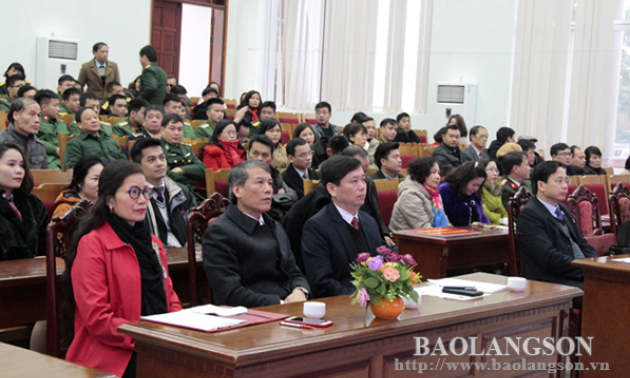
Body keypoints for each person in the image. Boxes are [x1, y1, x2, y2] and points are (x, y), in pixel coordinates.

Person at [64, 160, 182, 377]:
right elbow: (98, 319)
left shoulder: (153, 243)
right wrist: (149, 339)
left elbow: (170, 298)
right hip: (111, 353)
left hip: (158, 344)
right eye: (133, 193)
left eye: (145, 192)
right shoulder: (93, 244)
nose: (142, 201)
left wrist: (181, 329)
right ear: (109, 198)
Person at [202, 160, 310, 307]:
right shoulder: (220, 232)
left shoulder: (274, 226)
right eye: (260, 182)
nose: (269, 189)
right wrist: (281, 303)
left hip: (288, 309)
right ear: (237, 190)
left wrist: (300, 291)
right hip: (252, 316)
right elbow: (229, 293)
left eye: (270, 183)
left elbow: (294, 273)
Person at [516, 161, 598, 309]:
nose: (565, 185)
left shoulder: (563, 209)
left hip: (576, 272)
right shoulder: (530, 215)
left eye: (566, 180)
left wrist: (596, 264)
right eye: (559, 181)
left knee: (616, 285)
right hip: (550, 280)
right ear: (541, 185)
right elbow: (549, 258)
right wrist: (585, 270)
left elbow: (581, 243)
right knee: (602, 292)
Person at [302, 156, 384, 298]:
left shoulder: (370, 222)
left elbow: (380, 266)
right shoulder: (317, 227)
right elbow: (322, 283)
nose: (362, 186)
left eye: (363, 179)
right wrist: (362, 297)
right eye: (354, 181)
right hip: (342, 305)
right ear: (332, 189)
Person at [131, 138, 193, 248]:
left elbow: (195, 226)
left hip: (186, 254)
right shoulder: (134, 197)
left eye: (162, 158)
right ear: (138, 166)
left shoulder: (181, 192)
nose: (159, 163)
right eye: (151, 160)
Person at [0, 142, 48, 260]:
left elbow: (45, 245)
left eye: (21, 165)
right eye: (11, 164)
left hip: (35, 274)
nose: (19, 170)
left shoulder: (33, 204)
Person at [390, 156, 449, 231]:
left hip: (431, 236)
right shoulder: (410, 195)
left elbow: (445, 222)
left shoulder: (435, 194)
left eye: (439, 173)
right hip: (407, 239)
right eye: (433, 172)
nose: (438, 177)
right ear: (422, 173)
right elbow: (422, 227)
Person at [247, 135, 298, 220]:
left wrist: (271, 199)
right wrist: (279, 199)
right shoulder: (238, 174)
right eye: (255, 154)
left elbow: (293, 197)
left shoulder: (275, 175)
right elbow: (244, 202)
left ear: (271, 158)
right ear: (248, 154)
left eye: (265, 155)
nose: (259, 159)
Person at [160, 114, 206, 203]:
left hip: (192, 193)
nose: (176, 133)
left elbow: (203, 169)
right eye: (172, 129)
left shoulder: (186, 148)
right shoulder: (158, 149)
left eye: (180, 129)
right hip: (172, 195)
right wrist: (190, 177)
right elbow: (166, 175)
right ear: (162, 130)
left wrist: (181, 170)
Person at [0, 98, 48, 169]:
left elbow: (46, 177)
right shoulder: (2, 143)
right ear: (16, 115)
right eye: (32, 114)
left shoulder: (38, 146)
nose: (37, 120)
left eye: (38, 115)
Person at [438, 161, 489, 226]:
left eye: (479, 185)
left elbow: (482, 217)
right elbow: (443, 218)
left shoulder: (474, 194)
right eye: (474, 184)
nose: (476, 188)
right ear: (465, 179)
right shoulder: (446, 190)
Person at [35, 89, 68, 170]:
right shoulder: (36, 123)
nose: (58, 109)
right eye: (55, 105)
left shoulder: (61, 124)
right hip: (48, 159)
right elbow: (34, 140)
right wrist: (55, 150)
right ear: (44, 107)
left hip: (67, 157)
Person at [479, 158, 507, 225]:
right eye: (491, 169)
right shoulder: (478, 188)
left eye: (496, 170)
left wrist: (507, 219)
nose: (495, 174)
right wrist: (501, 220)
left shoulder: (496, 187)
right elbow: (484, 211)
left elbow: (502, 211)